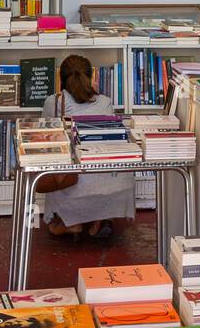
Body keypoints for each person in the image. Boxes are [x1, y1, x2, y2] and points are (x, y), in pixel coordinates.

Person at [42, 54, 135, 241]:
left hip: (74, 183)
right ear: (91, 76)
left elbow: (47, 140)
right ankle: (100, 219)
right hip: (115, 185)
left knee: (55, 159)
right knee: (99, 166)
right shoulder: (105, 102)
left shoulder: (53, 102)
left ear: (62, 79)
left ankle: (71, 223)